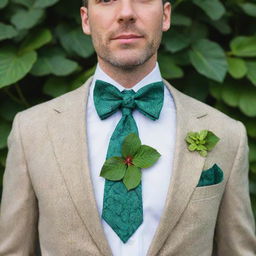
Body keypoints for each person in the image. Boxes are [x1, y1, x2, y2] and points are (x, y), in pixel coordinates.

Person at [0, 0, 255, 255]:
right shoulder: (31, 132)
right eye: (106, 0)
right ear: (86, 19)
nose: (126, 13)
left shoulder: (227, 135)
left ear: (166, 15)